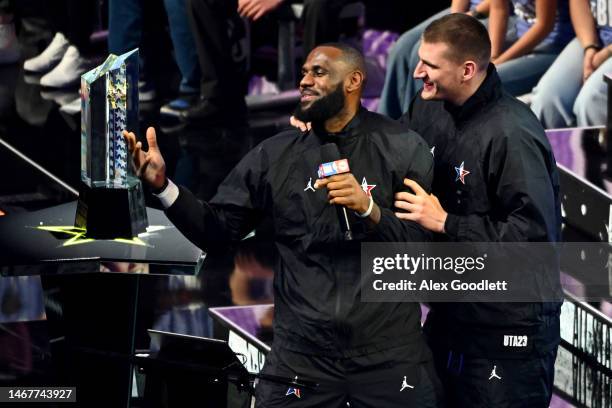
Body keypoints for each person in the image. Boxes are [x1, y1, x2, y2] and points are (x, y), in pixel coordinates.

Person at [125, 43, 443, 407]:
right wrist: (164, 188)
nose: (305, 81)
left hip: (388, 354)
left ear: (354, 80)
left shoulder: (402, 147)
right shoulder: (275, 154)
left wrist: (369, 209)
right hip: (302, 356)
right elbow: (218, 231)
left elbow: (422, 250)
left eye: (319, 72)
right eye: (304, 72)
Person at [395, 14, 562, 407]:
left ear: (467, 70)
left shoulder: (514, 136)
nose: (418, 71)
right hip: (452, 319)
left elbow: (533, 245)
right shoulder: (429, 108)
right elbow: (387, 150)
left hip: (508, 335)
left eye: (430, 65)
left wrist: (446, 222)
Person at [378, 0, 491, 119]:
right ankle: (387, 124)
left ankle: (418, 126)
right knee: (402, 47)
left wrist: (471, 15)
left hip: (493, 13)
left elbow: (499, 6)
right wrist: (454, 20)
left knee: (425, 54)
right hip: (469, 9)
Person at [530, 0, 612, 128]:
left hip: (607, 49)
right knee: (547, 98)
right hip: (595, 36)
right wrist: (590, 46)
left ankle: (592, 147)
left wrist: (606, 53)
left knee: (591, 100)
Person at [488, 0, 574, 96]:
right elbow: (499, 9)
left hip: (553, 47)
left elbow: (544, 26)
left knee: (485, 83)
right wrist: (493, 56)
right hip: (520, 35)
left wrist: (497, 63)